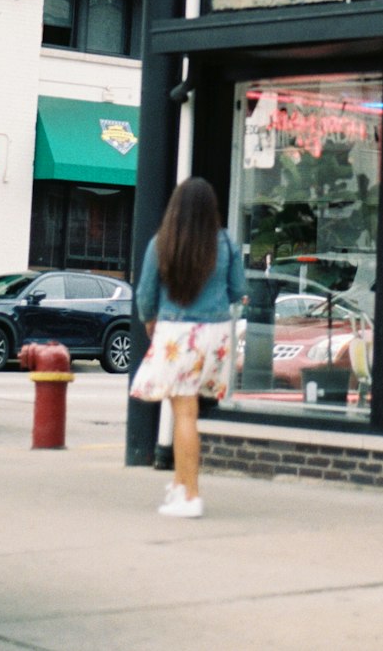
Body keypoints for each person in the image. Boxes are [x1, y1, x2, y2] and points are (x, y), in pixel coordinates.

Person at [130, 178, 246, 519]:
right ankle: (180, 486)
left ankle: (191, 495)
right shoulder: (225, 242)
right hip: (216, 335)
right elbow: (238, 289)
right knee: (188, 408)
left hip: (177, 332)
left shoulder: (162, 242)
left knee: (183, 412)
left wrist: (150, 321)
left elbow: (145, 294)